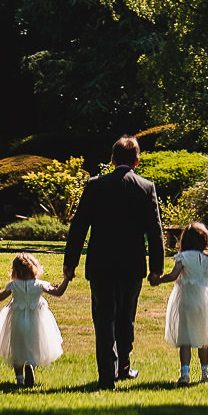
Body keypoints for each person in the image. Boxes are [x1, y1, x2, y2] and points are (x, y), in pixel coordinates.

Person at [61, 134, 166, 389]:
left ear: (112, 160)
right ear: (137, 161)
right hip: (132, 264)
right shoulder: (145, 187)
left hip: (101, 263)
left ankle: (106, 372)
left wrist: (70, 262)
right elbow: (155, 231)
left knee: (104, 317)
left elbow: (78, 227)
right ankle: (124, 368)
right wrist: (156, 269)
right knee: (126, 317)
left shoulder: (95, 185)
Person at [156, 221, 208, 384]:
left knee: (185, 339)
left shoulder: (183, 258)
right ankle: (206, 372)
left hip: (187, 301)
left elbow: (173, 276)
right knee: (203, 338)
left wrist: (159, 280)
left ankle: (185, 373)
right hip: (205, 302)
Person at [0, 252, 69, 388]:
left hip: (16, 319)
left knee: (17, 348)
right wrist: (66, 279)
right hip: (37, 320)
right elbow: (58, 292)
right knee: (35, 346)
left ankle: (20, 379)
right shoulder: (39, 284)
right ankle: (30, 364)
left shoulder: (13, 286)